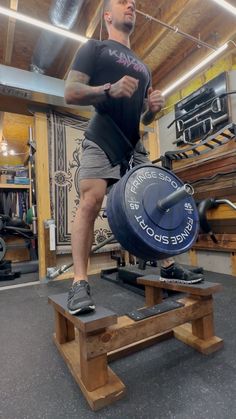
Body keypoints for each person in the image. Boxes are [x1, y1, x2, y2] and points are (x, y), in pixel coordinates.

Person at [64, 0, 204, 315]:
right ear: (107, 15)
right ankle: (79, 283)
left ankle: (167, 266)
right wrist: (107, 89)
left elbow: (144, 116)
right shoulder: (95, 48)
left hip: (133, 143)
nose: (131, 5)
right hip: (102, 137)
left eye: (133, 3)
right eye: (123, 2)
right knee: (91, 200)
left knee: (155, 201)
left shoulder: (143, 65)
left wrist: (153, 110)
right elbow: (70, 91)